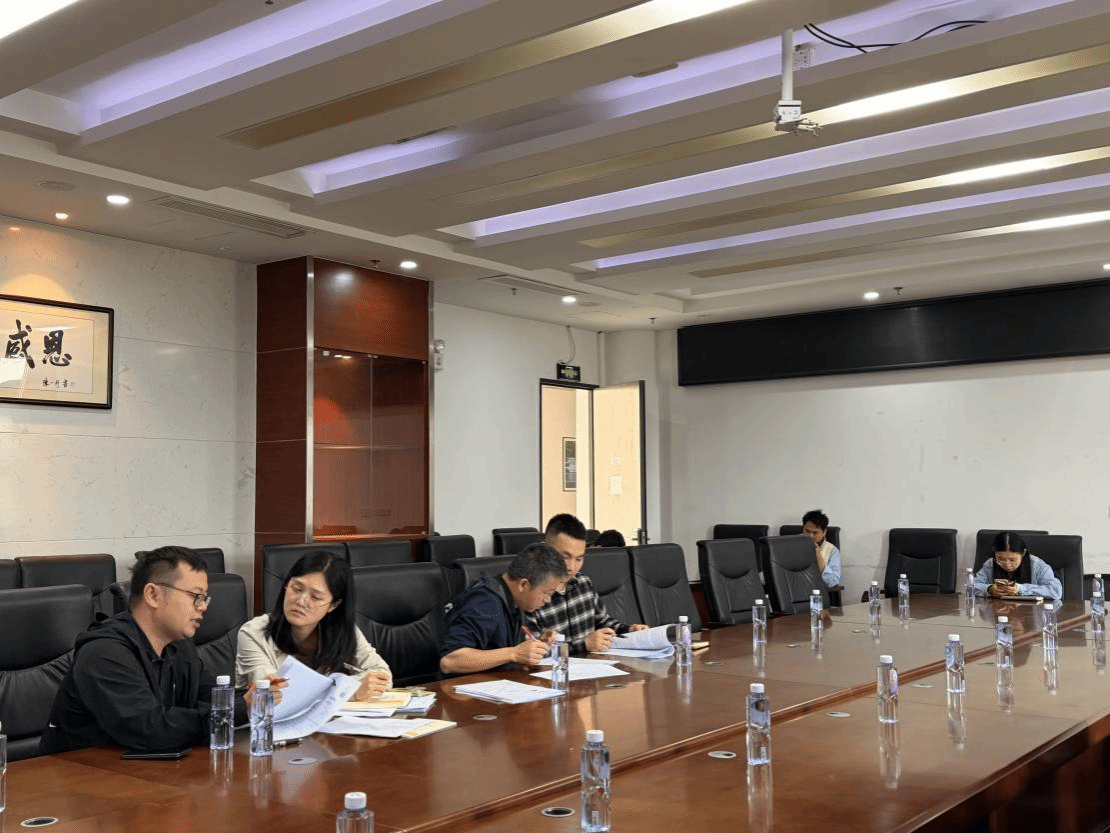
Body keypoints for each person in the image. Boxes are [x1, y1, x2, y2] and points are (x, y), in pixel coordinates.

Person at [40, 546, 248, 754]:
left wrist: (256, 696)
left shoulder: (180, 645)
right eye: (196, 596)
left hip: (145, 768)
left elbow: (213, 697)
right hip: (80, 770)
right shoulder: (104, 652)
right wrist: (240, 709)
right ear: (153, 595)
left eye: (204, 598)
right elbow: (151, 729)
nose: (202, 607)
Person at [236, 551, 391, 699]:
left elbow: (383, 676)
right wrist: (349, 690)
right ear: (286, 586)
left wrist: (350, 688)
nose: (301, 601)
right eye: (297, 589)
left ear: (334, 605)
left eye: (316, 597)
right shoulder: (254, 633)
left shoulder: (343, 631)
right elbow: (273, 692)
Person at [527, 514, 648, 655]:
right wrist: (584, 644)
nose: (571, 567)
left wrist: (629, 630)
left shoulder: (583, 583)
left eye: (579, 559)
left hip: (594, 665)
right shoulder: (529, 593)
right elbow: (531, 651)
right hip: (555, 668)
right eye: (564, 557)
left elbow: (602, 621)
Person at [440, 543, 568, 675]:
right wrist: (514, 653)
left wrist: (538, 646)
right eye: (547, 592)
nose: (548, 600)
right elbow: (450, 661)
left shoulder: (516, 601)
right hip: (462, 686)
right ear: (523, 584)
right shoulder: (486, 603)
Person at [973, 531, 1062, 600]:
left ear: (1023, 554)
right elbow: (971, 586)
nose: (1007, 565)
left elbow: (1056, 591)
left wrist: (1020, 589)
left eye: (1013, 560)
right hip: (998, 612)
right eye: (1001, 559)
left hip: (1030, 614)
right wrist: (989, 589)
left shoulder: (1037, 565)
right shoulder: (990, 564)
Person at [802, 509, 841, 588]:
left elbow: (832, 582)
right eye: (807, 531)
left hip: (818, 591)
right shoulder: (793, 543)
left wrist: (819, 557)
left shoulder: (832, 550)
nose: (810, 536)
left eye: (815, 533)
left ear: (824, 532)